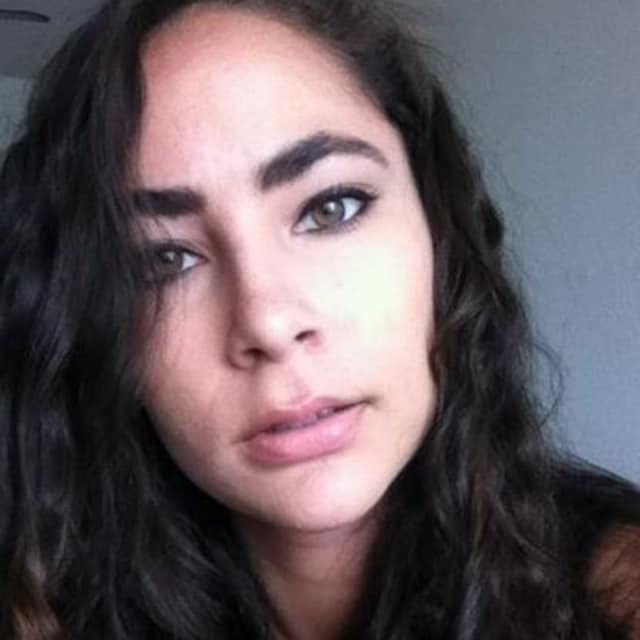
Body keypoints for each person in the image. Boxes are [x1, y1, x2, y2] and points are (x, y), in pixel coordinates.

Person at [1, 0, 639, 638]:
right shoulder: (47, 605)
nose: (268, 323)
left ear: (438, 231)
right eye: (164, 260)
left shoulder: (617, 595)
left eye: (332, 207)